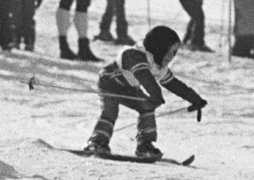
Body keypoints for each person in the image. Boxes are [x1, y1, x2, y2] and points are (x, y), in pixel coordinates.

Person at [84, 25, 207, 159]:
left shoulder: (158, 65)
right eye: (170, 51)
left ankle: (145, 144)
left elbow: (175, 85)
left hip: (129, 88)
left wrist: (195, 99)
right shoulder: (134, 55)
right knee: (111, 110)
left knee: (147, 107)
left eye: (175, 52)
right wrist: (156, 94)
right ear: (159, 47)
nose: (172, 56)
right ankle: (97, 141)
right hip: (110, 82)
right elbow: (144, 76)